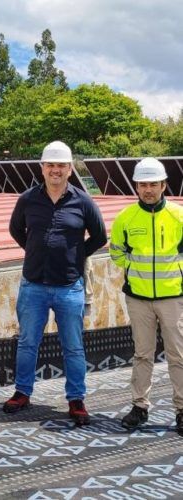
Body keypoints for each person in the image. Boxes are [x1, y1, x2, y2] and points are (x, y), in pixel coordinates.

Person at [3, 141, 107, 425]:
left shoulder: (83, 201)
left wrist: (75, 255)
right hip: (33, 285)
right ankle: (22, 392)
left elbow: (99, 236)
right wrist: (36, 251)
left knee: (73, 346)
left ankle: (76, 399)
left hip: (69, 287)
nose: (55, 170)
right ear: (42, 168)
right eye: (50, 165)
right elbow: (15, 230)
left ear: (70, 169)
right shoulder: (27, 199)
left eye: (61, 165)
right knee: (27, 343)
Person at [109, 157, 183, 434]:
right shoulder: (126, 218)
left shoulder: (179, 216)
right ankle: (140, 406)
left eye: (153, 183)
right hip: (138, 298)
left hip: (174, 298)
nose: (148, 189)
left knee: (179, 355)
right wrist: (134, 268)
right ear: (136, 187)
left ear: (164, 185)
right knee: (142, 354)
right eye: (143, 184)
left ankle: (182, 410)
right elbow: (116, 251)